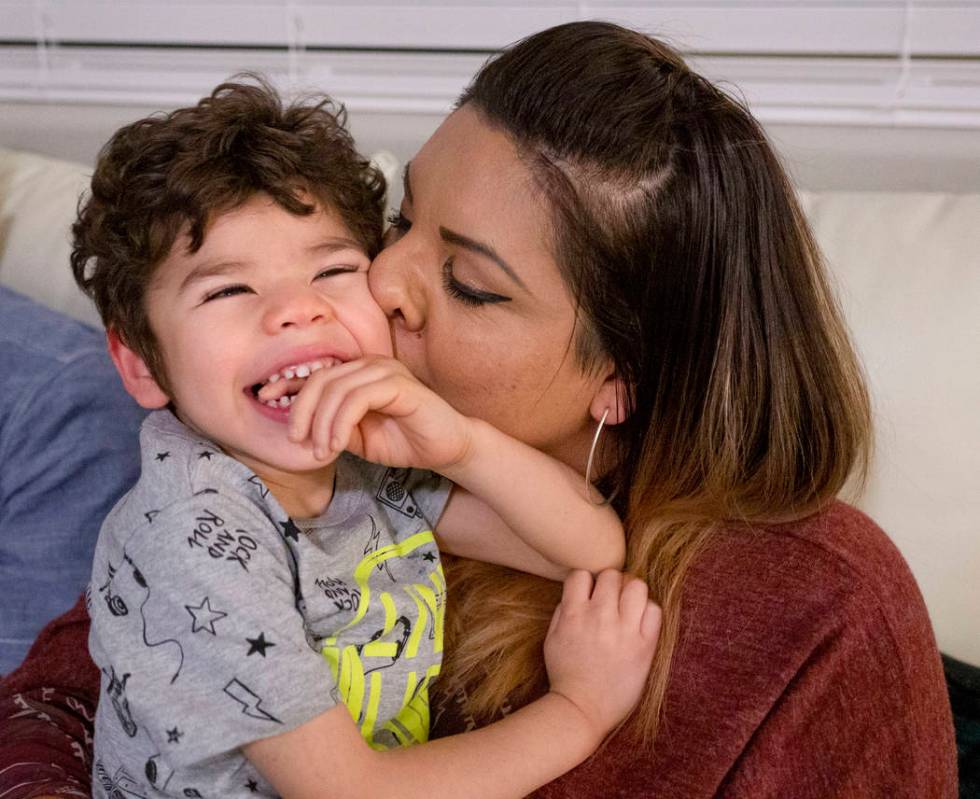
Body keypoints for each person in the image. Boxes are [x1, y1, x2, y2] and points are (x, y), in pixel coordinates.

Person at [0, 20, 958, 799]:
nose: (383, 279)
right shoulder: (282, 462)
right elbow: (60, 695)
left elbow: (592, 548)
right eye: (402, 221)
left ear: (619, 376)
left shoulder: (816, 611)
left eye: (468, 282)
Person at [61, 78, 659, 799]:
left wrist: (461, 444)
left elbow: (589, 548)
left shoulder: (363, 459)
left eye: (334, 270)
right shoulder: (194, 532)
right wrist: (580, 710)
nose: (296, 311)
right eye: (226, 290)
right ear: (139, 363)